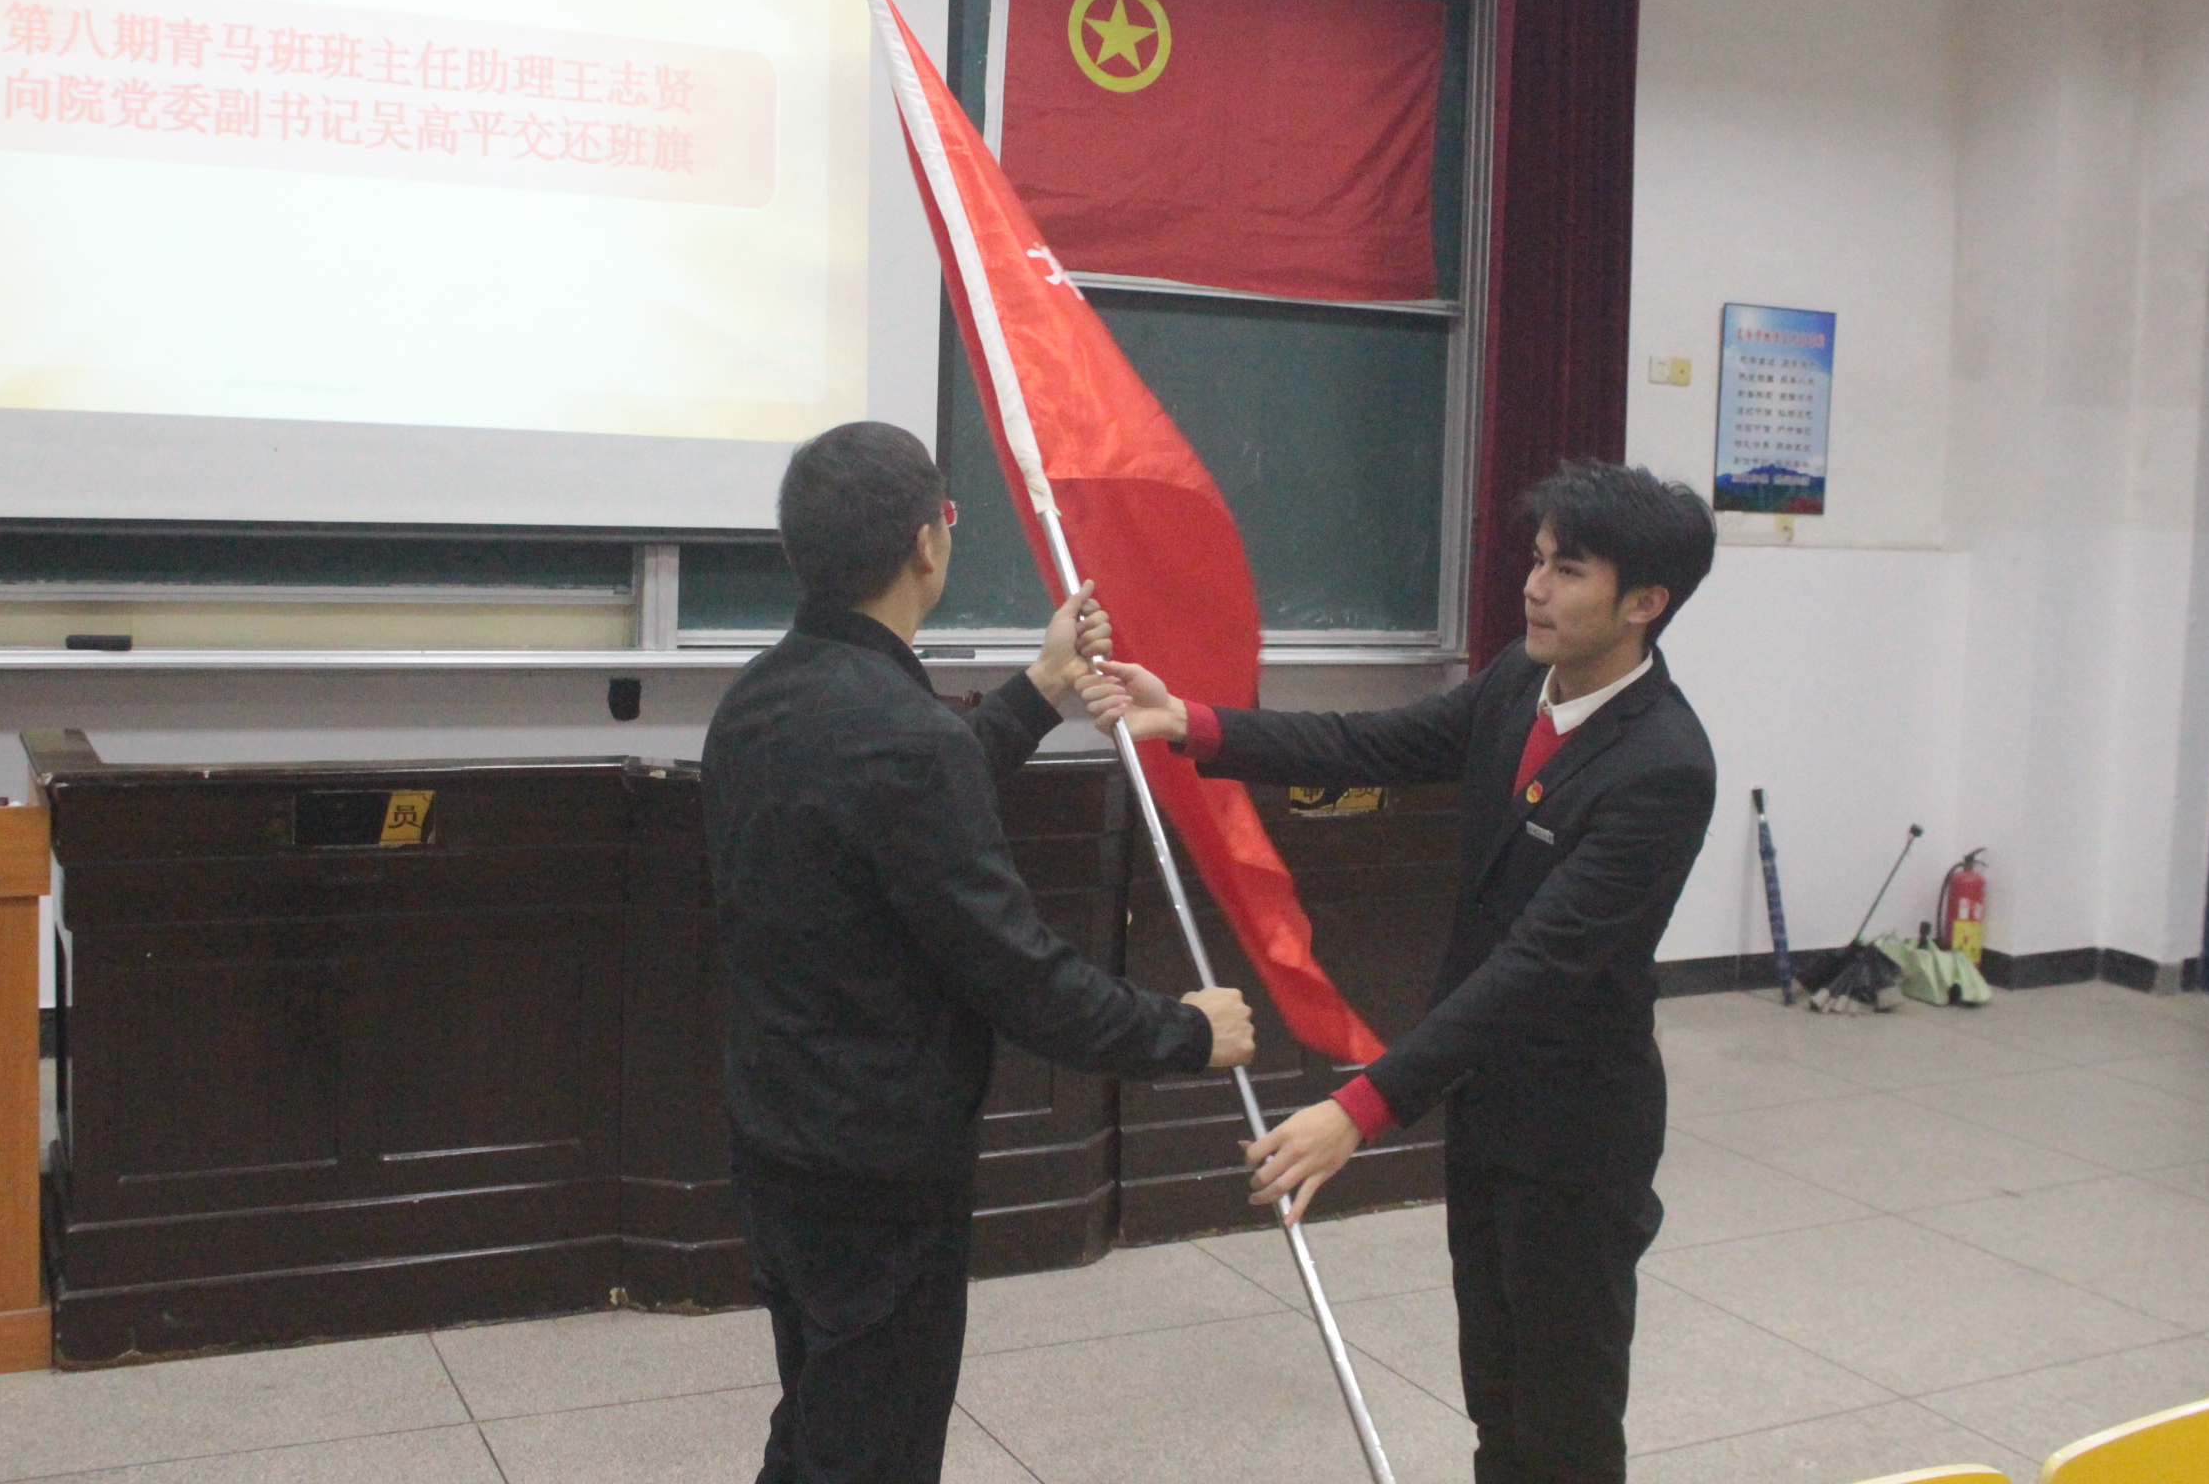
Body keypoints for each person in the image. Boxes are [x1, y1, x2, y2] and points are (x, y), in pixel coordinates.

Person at [1082, 459, 1717, 1484]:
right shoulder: (1517, 680)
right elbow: (1370, 745)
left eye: (1569, 571)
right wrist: (1191, 721)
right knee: (1495, 1386)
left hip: (1579, 1129)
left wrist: (1360, 1109)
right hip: (1487, 1101)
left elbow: (1539, 966)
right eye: (1536, 559)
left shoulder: (1664, 767)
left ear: (1645, 603)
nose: (1534, 588)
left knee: (1565, 1411)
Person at [702, 421, 1255, 1484]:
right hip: (880, 1167)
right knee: (872, 1449)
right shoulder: (901, 738)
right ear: (927, 544)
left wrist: (1041, 686)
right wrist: (1184, 1033)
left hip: (777, 1136)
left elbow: (898, 805)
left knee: (820, 1416)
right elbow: (1021, 975)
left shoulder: (758, 699)